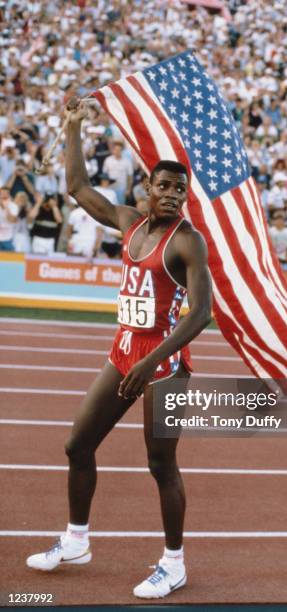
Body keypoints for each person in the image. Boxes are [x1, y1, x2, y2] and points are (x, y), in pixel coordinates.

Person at [26, 98, 212, 600]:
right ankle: (76, 540)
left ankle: (174, 564)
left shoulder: (187, 242)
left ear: (185, 197)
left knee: (160, 465)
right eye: (164, 185)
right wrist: (72, 127)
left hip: (166, 365)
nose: (172, 194)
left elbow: (201, 314)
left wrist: (152, 362)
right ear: (147, 188)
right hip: (123, 354)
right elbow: (78, 188)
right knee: (77, 446)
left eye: (180, 188)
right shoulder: (129, 223)